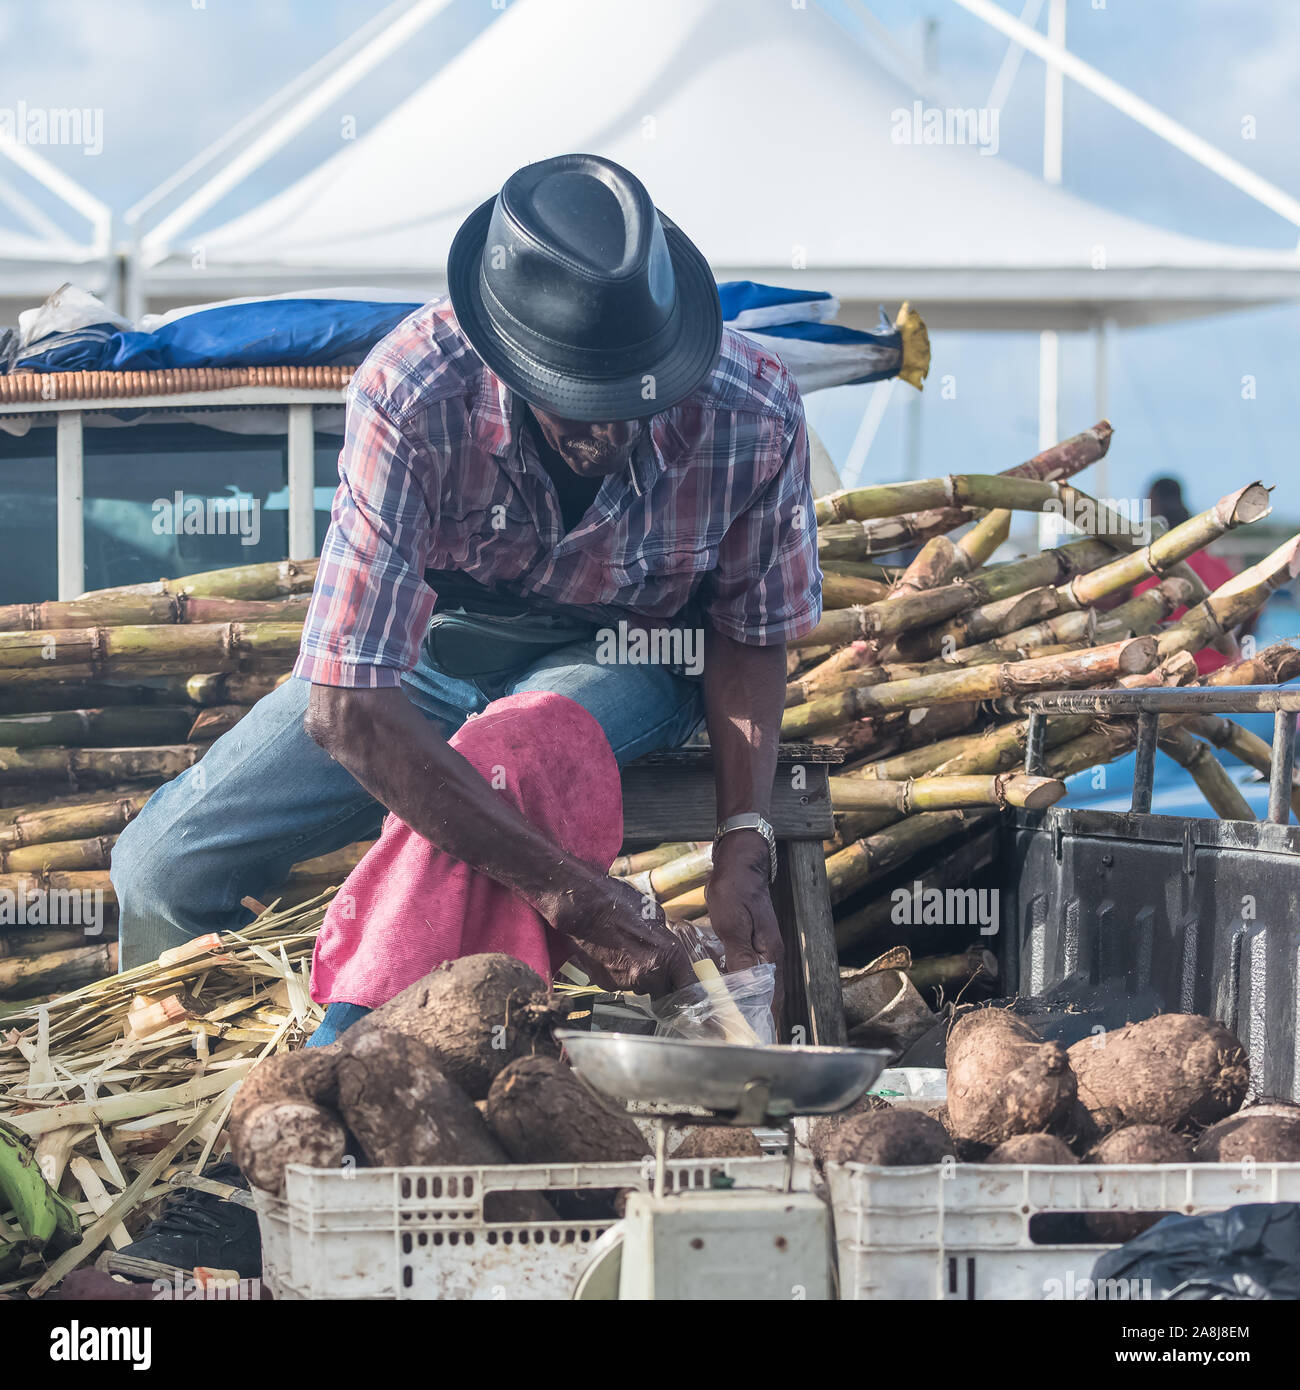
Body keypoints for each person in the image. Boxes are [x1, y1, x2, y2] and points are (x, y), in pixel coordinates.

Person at [110, 153, 822, 1045]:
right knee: (159, 865)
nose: (606, 431)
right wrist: (573, 896)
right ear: (508, 362)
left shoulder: (753, 410)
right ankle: (212, 1106)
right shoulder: (411, 390)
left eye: (629, 398)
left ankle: (353, 1063)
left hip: (633, 655)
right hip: (432, 647)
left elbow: (751, 636)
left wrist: (743, 843)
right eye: (576, 400)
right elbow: (346, 703)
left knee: (506, 757)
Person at [1137, 477, 1236, 674]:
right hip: (1224, 675)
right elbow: (1252, 612)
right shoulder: (1219, 568)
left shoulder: (1146, 572)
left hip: (1166, 678)